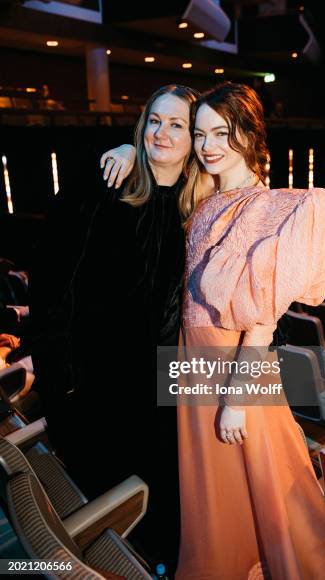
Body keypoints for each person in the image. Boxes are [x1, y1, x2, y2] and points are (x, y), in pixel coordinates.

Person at [104, 83, 325, 579]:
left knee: (265, 478)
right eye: (200, 133)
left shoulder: (271, 207)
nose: (207, 145)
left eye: (223, 133)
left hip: (234, 371)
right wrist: (125, 148)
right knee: (216, 493)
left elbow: (261, 323)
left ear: (250, 133)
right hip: (195, 363)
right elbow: (159, 166)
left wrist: (237, 398)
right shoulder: (203, 194)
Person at [29, 84, 200, 574]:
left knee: (160, 518)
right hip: (93, 390)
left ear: (194, 142)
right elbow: (50, 283)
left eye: (177, 126)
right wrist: (60, 377)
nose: (161, 133)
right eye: (154, 121)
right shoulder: (105, 182)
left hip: (162, 396)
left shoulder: (199, 211)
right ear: (140, 124)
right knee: (110, 513)